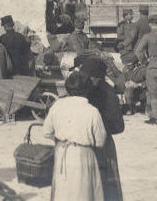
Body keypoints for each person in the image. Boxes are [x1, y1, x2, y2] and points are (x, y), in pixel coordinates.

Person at [42, 71, 107, 201]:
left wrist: (62, 140)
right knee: (83, 192)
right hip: (84, 156)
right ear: (87, 89)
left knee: (63, 191)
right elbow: (100, 141)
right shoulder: (92, 111)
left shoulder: (57, 106)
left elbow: (47, 132)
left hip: (62, 154)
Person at [77, 58, 123, 201]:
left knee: (104, 187)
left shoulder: (109, 95)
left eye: (86, 77)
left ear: (96, 77)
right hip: (85, 146)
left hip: (103, 148)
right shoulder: (84, 92)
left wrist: (98, 127)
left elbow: (118, 126)